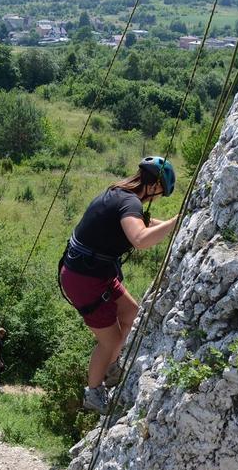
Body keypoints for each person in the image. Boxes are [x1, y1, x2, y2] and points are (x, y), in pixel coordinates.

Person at [59, 156, 178, 411]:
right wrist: (175, 223)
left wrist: (169, 225)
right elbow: (140, 239)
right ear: (155, 186)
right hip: (85, 278)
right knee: (110, 341)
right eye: (159, 194)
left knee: (131, 312)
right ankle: (93, 391)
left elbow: (142, 222)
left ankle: (110, 366)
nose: (155, 199)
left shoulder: (119, 193)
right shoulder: (130, 202)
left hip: (90, 270)